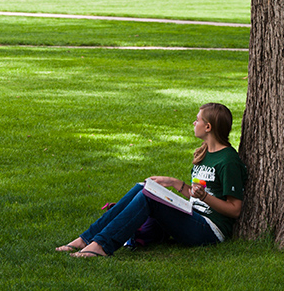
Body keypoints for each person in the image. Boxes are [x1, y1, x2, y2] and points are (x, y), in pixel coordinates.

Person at [56, 103, 247, 258]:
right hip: (192, 215)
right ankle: (86, 239)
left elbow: (235, 209)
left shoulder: (228, 160)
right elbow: (197, 195)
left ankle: (101, 247)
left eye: (197, 120)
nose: (193, 123)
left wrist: (204, 197)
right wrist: (174, 183)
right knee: (144, 188)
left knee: (148, 198)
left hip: (210, 230)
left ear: (208, 127)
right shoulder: (205, 153)